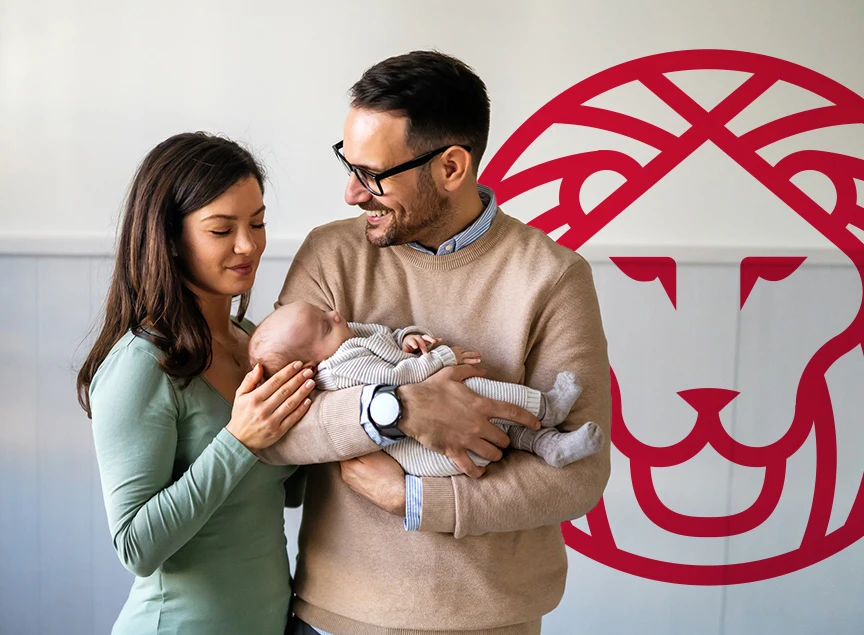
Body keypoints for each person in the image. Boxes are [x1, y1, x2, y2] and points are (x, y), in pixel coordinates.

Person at [257, 51, 612, 635]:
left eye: (373, 174)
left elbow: (578, 474)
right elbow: (273, 430)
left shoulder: (553, 277)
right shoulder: (330, 255)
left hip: (490, 623)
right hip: (334, 619)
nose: (351, 193)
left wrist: (416, 499)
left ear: (450, 167)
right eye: (348, 163)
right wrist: (397, 409)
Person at [76, 132, 314, 634]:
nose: (248, 245)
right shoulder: (140, 366)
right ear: (170, 239)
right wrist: (238, 441)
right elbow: (136, 548)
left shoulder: (254, 342)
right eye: (222, 229)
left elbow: (288, 491)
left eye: (257, 223)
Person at [249, 300, 603, 473]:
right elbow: (397, 381)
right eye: (326, 325)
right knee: (479, 390)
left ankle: (548, 445)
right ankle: (549, 408)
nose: (336, 315)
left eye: (325, 311)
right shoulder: (340, 367)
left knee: (499, 422)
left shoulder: (343, 339)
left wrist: (408, 338)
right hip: (434, 452)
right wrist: (441, 358)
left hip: (458, 443)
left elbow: (384, 338)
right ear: (310, 367)